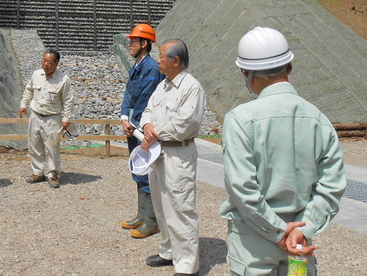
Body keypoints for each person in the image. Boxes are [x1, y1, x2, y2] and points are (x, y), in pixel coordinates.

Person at [219, 26, 347, 276]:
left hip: (253, 244)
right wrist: (301, 230)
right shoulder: (318, 119)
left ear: (247, 73)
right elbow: (331, 187)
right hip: (300, 244)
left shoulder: (240, 119)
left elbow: (243, 188)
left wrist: (279, 231)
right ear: (289, 67)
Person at [139, 38, 205, 276]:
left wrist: (155, 132)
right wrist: (147, 126)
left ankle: (187, 264)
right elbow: (147, 110)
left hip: (179, 153)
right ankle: (168, 251)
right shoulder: (163, 86)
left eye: (162, 56)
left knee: (180, 206)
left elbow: (186, 122)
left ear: (175, 61)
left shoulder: (191, 87)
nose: (158, 60)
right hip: (157, 153)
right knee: (161, 205)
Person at [120, 23, 164, 238]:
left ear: (144, 43)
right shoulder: (137, 67)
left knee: (147, 173)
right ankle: (141, 215)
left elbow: (145, 100)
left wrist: (133, 122)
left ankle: (151, 221)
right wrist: (124, 117)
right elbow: (129, 93)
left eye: (133, 41)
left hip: (144, 129)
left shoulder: (151, 69)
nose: (129, 44)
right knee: (138, 171)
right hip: (134, 126)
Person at [19, 50, 74, 189]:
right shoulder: (36, 74)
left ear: (56, 63)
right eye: (44, 60)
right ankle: (37, 172)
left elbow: (68, 100)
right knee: (34, 145)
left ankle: (53, 174)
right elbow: (29, 90)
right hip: (36, 115)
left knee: (52, 148)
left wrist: (66, 119)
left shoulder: (63, 79)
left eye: (49, 62)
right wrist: (23, 105)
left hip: (52, 118)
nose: (45, 64)